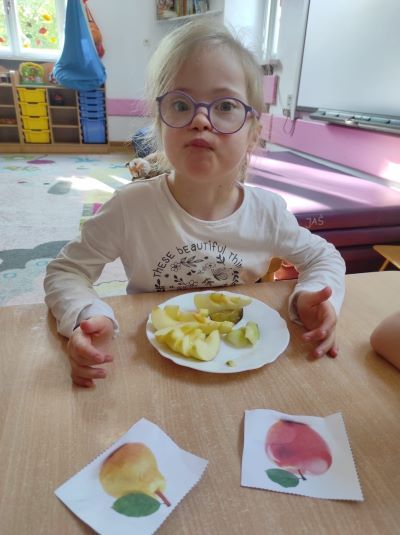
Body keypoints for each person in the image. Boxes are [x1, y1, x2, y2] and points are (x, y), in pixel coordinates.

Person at [44, 20, 346, 388]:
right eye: (181, 104)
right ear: (159, 125)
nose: (201, 119)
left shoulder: (267, 213)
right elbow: (66, 271)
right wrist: (86, 313)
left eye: (225, 106)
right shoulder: (130, 208)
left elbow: (324, 258)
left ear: (253, 135)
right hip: (148, 367)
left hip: (242, 368)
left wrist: (310, 297)